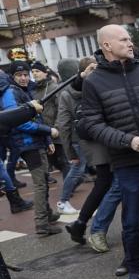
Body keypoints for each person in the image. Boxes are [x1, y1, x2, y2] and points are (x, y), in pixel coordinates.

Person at [82, 24, 139, 279]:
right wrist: (126, 140)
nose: (131, 43)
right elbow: (92, 125)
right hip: (128, 163)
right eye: (124, 39)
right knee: (131, 221)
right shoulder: (93, 82)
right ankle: (136, 268)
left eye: (130, 39)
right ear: (106, 45)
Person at [1, 61, 61, 235]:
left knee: (43, 178)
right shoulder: (11, 93)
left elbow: (36, 117)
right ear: (12, 77)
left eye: (26, 74)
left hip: (35, 142)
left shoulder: (23, 91)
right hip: (27, 144)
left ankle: (47, 215)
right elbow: (19, 122)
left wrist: (47, 139)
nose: (24, 78)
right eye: (19, 75)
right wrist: (48, 131)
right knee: (41, 183)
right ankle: (42, 224)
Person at [64, 58, 111, 244]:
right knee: (105, 183)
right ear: (82, 72)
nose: (95, 71)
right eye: (91, 68)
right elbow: (64, 123)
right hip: (94, 142)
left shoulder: (99, 83)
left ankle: (81, 224)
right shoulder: (76, 89)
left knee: (107, 184)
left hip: (104, 138)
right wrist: (70, 153)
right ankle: (83, 224)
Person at [54, 58, 86, 216]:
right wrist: (68, 150)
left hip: (76, 136)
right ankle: (63, 200)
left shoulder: (61, 89)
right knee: (77, 168)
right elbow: (64, 122)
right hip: (78, 137)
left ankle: (63, 200)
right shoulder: (69, 91)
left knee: (79, 169)